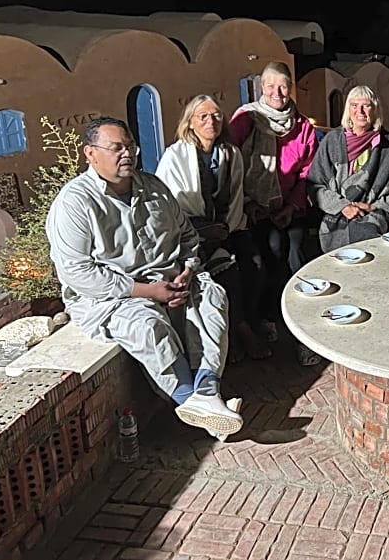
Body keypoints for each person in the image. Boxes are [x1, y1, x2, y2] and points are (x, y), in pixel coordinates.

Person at [46, 117, 244, 439]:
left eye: (130, 147)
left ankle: (207, 394)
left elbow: (188, 238)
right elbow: (78, 273)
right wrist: (147, 291)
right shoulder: (74, 203)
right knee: (147, 326)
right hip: (114, 296)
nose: (127, 154)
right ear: (90, 154)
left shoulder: (154, 188)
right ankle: (193, 400)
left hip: (172, 281)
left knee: (212, 299)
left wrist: (188, 271)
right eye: (116, 148)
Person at [156, 95, 271, 362]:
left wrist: (227, 228)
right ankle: (240, 333)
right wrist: (205, 231)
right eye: (203, 116)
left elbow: (237, 196)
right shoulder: (175, 156)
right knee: (226, 273)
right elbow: (168, 208)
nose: (211, 121)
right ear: (191, 123)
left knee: (255, 266)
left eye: (216, 115)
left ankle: (246, 325)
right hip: (189, 233)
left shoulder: (231, 154)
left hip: (229, 226)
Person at [228, 61, 319, 364]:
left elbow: (307, 173)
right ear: (261, 88)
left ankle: (300, 317)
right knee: (270, 250)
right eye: (270, 86)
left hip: (289, 207)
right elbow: (232, 165)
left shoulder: (303, 125)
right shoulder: (247, 119)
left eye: (283, 85)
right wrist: (250, 204)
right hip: (251, 207)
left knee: (295, 250)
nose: (277, 92)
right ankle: (266, 317)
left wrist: (292, 206)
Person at [308, 85, 389, 251]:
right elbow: (315, 185)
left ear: (375, 110)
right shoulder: (332, 140)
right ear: (348, 109)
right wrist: (343, 206)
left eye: (366, 105)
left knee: (366, 231)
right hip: (336, 211)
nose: (360, 111)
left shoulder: (387, 144)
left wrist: (373, 207)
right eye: (354, 105)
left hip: (373, 211)